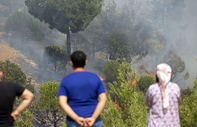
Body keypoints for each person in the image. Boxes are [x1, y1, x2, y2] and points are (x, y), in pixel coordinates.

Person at [58, 50, 107, 127]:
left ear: (71, 63)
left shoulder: (65, 80)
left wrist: (77, 118)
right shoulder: (96, 78)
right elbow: (103, 99)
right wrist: (93, 118)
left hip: (73, 122)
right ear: (86, 62)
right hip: (94, 122)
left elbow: (62, 102)